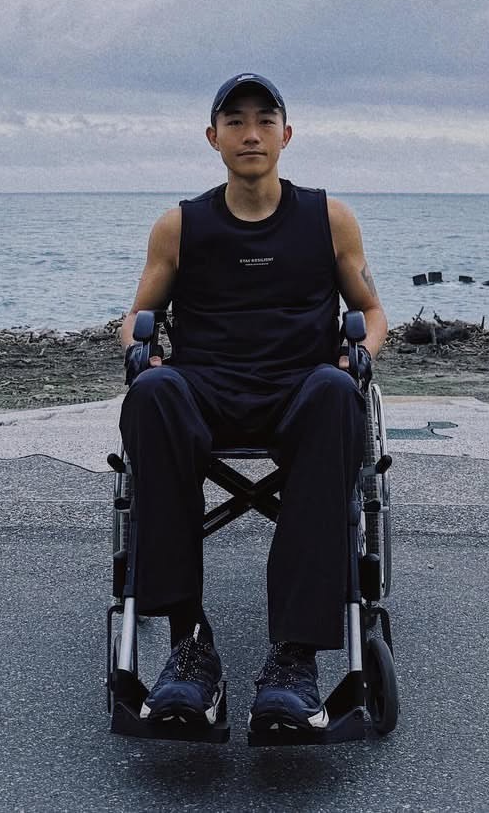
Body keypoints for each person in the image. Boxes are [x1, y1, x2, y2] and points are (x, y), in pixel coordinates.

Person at [118, 72, 388, 734]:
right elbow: (137, 319)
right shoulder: (179, 225)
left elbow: (371, 311)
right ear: (212, 137)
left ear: (285, 135)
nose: (250, 133)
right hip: (205, 388)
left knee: (336, 391)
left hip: (298, 390)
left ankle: (294, 659)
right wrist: (141, 354)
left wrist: (360, 355)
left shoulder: (329, 219)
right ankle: (189, 644)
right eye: (234, 121)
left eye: (264, 120)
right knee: (151, 391)